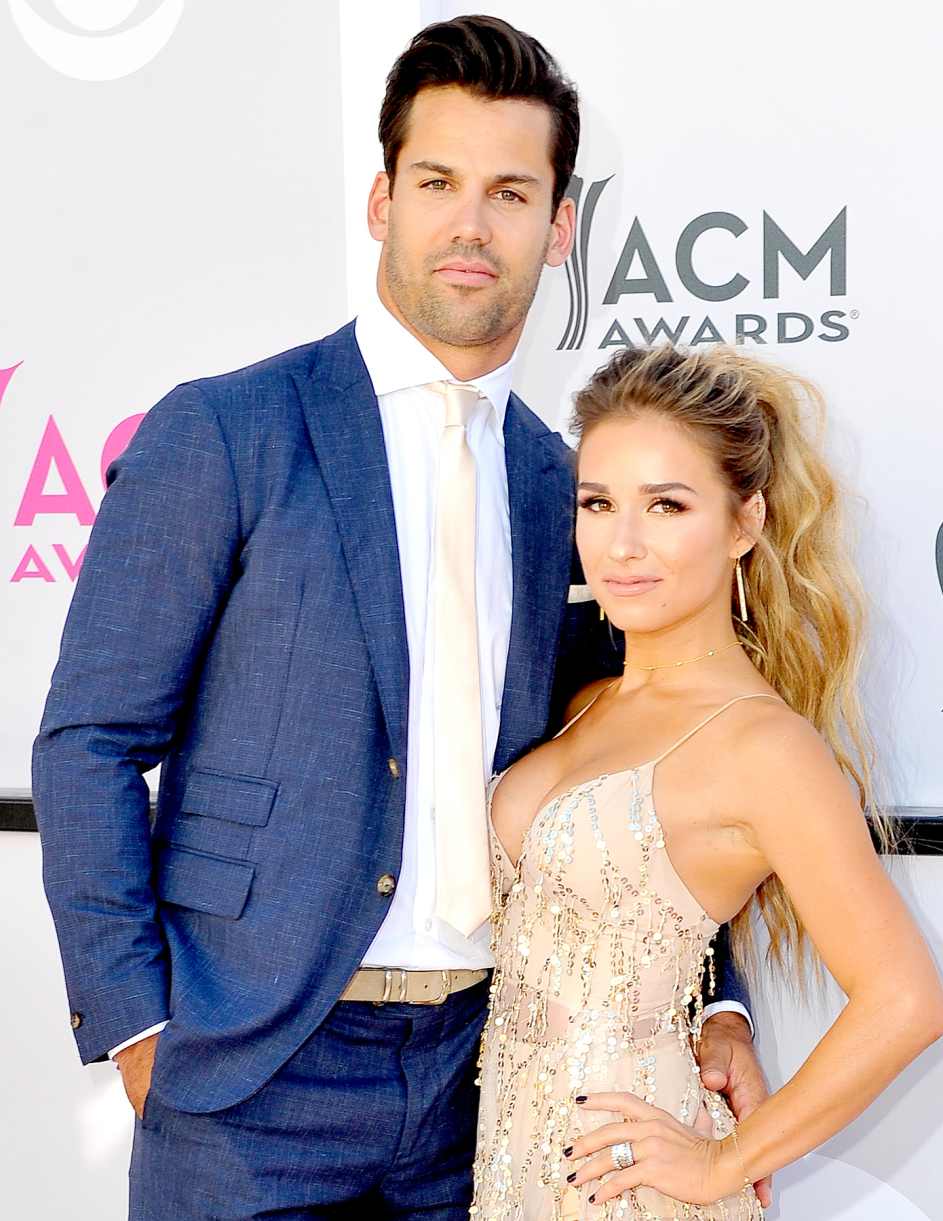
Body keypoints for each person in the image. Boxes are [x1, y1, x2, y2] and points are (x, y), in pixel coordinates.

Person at [31, 16, 765, 1221]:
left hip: (495, 1070)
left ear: (559, 226)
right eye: (437, 183)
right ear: (381, 200)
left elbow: (636, 769)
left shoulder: (568, 488)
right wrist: (139, 1029)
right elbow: (89, 744)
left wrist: (713, 997)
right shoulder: (227, 431)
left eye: (510, 191)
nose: (470, 224)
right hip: (251, 1071)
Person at [472, 341, 943, 1219]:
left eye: (667, 505)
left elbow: (906, 1001)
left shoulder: (765, 746)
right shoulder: (581, 699)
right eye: (597, 502)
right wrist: (719, 1014)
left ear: (744, 523)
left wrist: (721, 1162)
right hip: (511, 1164)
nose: (621, 543)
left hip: (633, 1184)